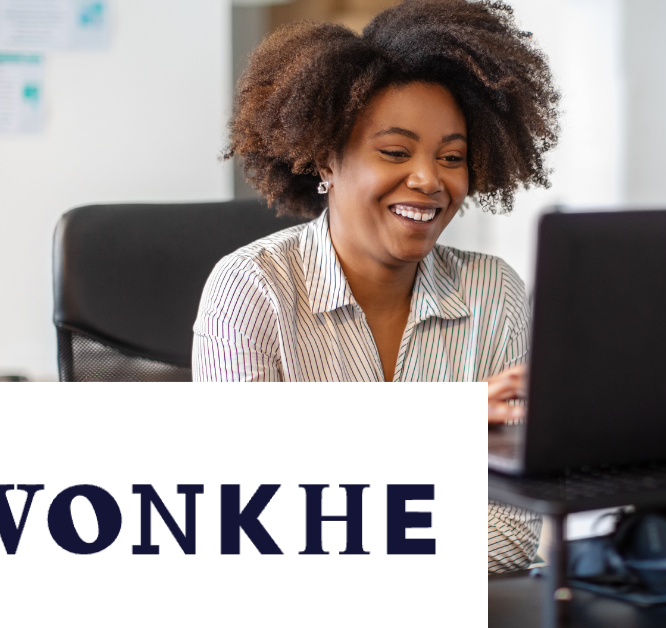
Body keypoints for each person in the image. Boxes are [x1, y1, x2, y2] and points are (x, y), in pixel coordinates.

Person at [191, 0, 559, 574]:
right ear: (325, 160)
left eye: (452, 157)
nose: (428, 179)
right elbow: (246, 517)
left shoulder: (495, 292)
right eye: (394, 151)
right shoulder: (252, 290)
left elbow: (510, 532)